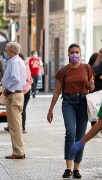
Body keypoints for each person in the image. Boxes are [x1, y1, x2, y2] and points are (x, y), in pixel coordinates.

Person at [47, 43, 95, 179]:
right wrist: (50, 110)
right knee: (70, 133)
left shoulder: (87, 68)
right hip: (68, 102)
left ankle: (76, 168)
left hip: (83, 103)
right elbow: (56, 92)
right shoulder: (64, 70)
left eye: (77, 52)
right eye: (72, 52)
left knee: (80, 137)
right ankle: (68, 168)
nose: (75, 54)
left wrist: (91, 86)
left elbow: (91, 88)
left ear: (80, 53)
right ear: (68, 54)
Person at [2, 42, 26, 160]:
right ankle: (18, 150)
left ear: (11, 51)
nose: (5, 52)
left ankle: (18, 151)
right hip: (15, 95)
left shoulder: (16, 62)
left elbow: (15, 78)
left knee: (14, 125)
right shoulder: (16, 61)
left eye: (6, 50)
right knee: (15, 124)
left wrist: (8, 88)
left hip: (14, 95)